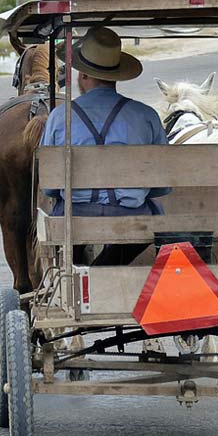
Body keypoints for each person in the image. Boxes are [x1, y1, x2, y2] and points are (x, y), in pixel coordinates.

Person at [40, 27, 170, 266]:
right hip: (132, 218)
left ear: (83, 75)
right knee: (154, 213)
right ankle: (105, 269)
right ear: (117, 75)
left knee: (63, 220)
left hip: (74, 217)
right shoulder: (146, 116)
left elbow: (49, 188)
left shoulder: (60, 118)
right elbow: (162, 187)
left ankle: (82, 274)